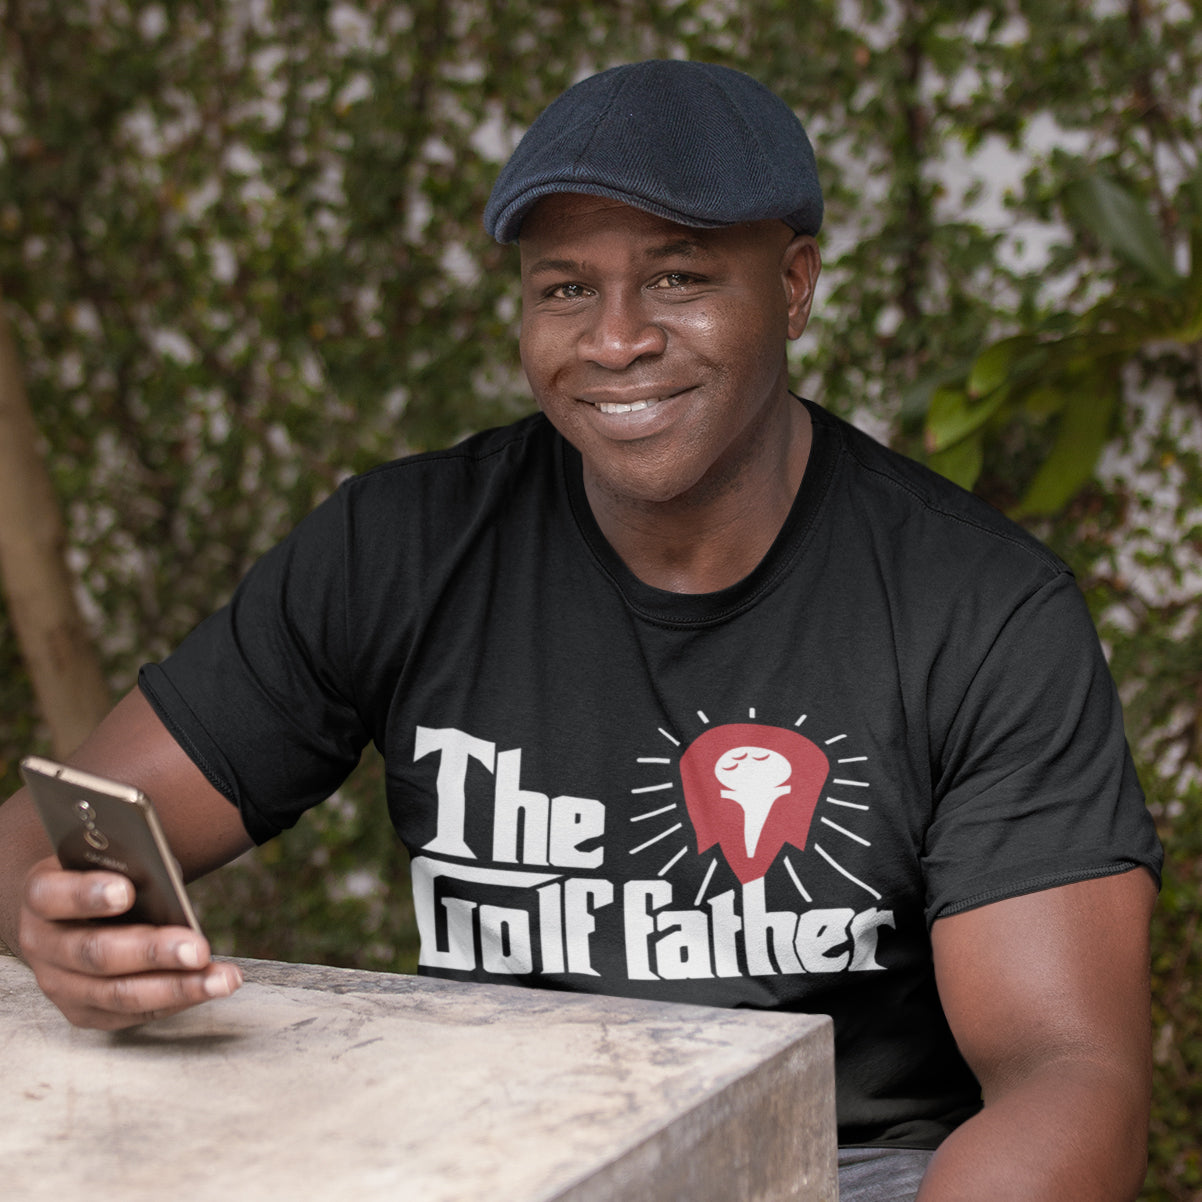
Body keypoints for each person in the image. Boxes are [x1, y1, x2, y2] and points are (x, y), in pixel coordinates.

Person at [0, 60, 1162, 1201]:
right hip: (499, 1149)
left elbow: (1064, 1075)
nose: (614, 341)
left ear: (794, 285)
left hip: (830, 1168)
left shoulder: (976, 607)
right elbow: (34, 851)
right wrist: (67, 931)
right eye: (564, 288)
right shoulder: (402, 546)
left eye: (675, 278)